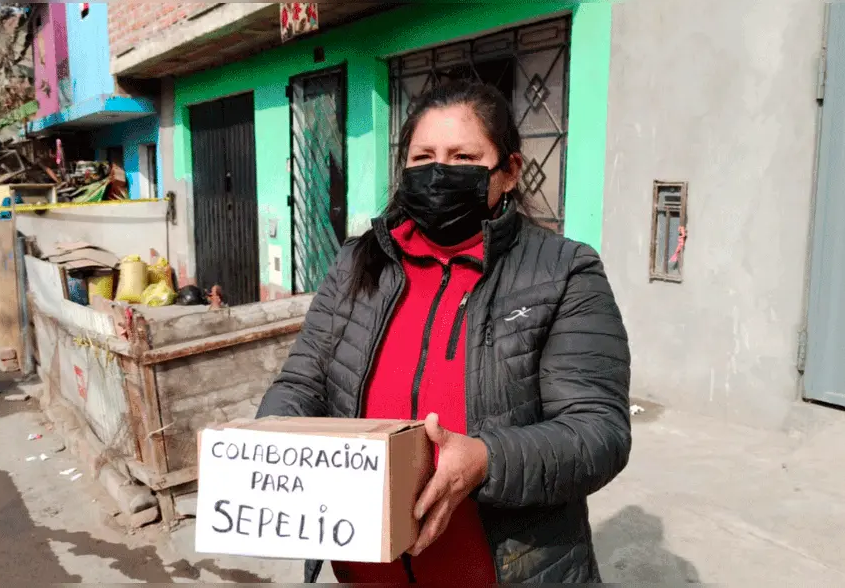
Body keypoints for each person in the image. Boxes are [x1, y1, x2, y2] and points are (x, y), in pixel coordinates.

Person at [255, 80, 631, 584]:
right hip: (368, 571)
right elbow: (301, 384)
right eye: (423, 157)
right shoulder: (356, 262)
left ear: (509, 172)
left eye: (463, 158)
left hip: (502, 572)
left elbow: (598, 431)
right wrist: (268, 446)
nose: (438, 173)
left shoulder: (564, 271)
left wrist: (486, 460)